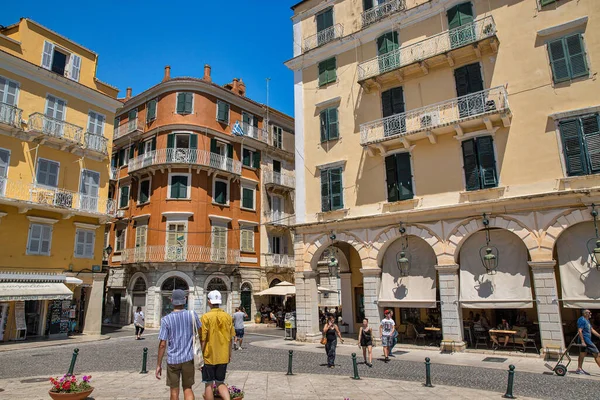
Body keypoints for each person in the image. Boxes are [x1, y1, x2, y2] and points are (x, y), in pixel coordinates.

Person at [155, 289, 201, 400]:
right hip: (188, 358)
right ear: (185, 300)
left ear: (171, 301)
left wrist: (158, 364)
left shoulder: (166, 320)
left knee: (174, 391)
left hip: (173, 360)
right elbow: (200, 332)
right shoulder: (192, 315)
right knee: (188, 388)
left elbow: (162, 344)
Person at [201, 290, 235, 400]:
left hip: (208, 356)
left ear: (209, 302)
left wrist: (200, 355)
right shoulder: (228, 317)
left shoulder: (205, 317)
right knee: (220, 382)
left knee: (209, 383)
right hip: (223, 355)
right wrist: (229, 354)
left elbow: (203, 339)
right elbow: (230, 338)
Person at [576, 309, 600, 375]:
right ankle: (579, 369)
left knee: (582, 354)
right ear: (585, 314)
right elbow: (580, 331)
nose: (591, 314)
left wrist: (599, 336)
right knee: (597, 354)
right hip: (586, 340)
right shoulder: (582, 320)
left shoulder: (587, 320)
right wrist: (583, 341)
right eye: (589, 313)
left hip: (586, 339)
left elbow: (591, 329)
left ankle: (579, 369)